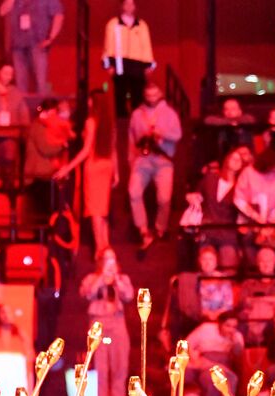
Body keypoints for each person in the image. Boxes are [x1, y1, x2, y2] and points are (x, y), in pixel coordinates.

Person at [55, 87, 119, 256]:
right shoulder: (109, 123)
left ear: (94, 102)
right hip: (107, 166)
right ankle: (106, 246)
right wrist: (116, 172)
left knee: (95, 211)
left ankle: (100, 248)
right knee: (103, 210)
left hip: (94, 166)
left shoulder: (91, 122)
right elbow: (113, 150)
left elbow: (86, 150)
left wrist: (67, 167)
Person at [128, 83, 181, 251]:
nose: (152, 98)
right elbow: (131, 138)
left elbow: (178, 135)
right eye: (149, 95)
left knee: (164, 198)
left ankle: (160, 228)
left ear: (160, 93)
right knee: (134, 191)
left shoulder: (169, 113)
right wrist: (131, 160)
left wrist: (161, 134)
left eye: (155, 95)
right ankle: (143, 229)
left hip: (163, 159)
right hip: (143, 159)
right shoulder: (137, 114)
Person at [80, 248, 134, 396]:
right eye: (106, 260)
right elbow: (87, 293)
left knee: (120, 363)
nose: (110, 263)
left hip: (117, 322)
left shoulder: (122, 278)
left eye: (113, 259)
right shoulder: (91, 278)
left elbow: (129, 295)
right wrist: (102, 277)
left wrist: (115, 279)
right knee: (100, 365)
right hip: (99, 322)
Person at [0, 0, 63, 94]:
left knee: (40, 80)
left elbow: (59, 15)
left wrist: (51, 37)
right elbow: (2, 11)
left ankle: (41, 106)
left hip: (38, 43)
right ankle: (22, 107)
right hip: (18, 44)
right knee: (20, 81)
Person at [103, 0, 154, 115]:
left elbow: (147, 46)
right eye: (127, 4)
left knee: (138, 96)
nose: (130, 7)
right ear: (122, 6)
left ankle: (138, 122)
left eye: (132, 4)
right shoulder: (113, 24)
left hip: (137, 65)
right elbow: (107, 47)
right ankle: (122, 123)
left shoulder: (142, 25)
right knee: (120, 95)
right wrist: (108, 66)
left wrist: (148, 65)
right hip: (120, 63)